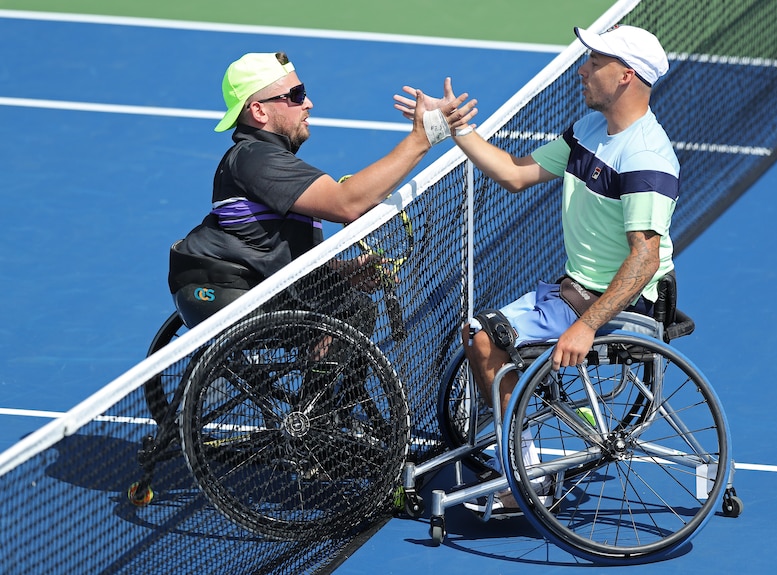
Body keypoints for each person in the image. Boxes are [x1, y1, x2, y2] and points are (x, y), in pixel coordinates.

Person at [395, 24, 679, 516]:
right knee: (481, 335)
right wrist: (453, 127)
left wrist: (587, 327)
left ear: (627, 76)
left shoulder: (647, 158)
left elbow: (645, 258)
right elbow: (514, 173)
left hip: (620, 302)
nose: (582, 69)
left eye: (594, 61)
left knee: (482, 337)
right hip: (575, 292)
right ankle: (525, 439)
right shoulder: (591, 131)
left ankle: (523, 476)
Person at [169, 51, 474, 331]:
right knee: (348, 313)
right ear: (259, 111)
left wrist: (339, 271)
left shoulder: (263, 159)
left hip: (240, 283)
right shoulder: (256, 157)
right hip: (224, 290)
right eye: (296, 95)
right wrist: (424, 136)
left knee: (349, 305)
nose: (308, 103)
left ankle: (326, 391)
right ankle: (322, 392)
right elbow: (346, 203)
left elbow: (267, 247)